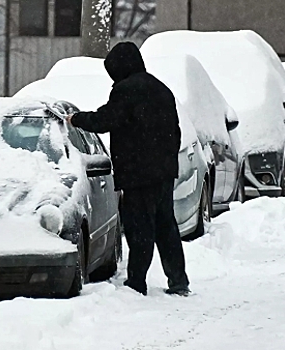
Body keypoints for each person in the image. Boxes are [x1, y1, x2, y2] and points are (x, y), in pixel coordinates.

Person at [66, 42, 190, 296]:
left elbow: (105, 120)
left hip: (138, 174)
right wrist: (163, 160)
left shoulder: (126, 91)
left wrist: (76, 119)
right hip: (164, 172)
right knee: (166, 227)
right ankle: (178, 281)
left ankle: (136, 282)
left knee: (140, 229)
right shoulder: (161, 89)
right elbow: (174, 132)